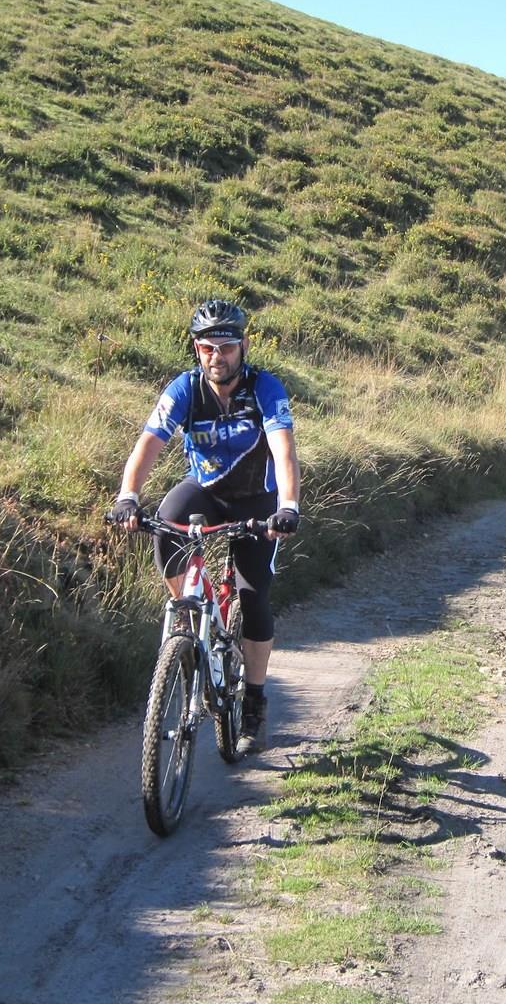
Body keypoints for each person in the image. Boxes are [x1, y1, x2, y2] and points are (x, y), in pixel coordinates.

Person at [109, 299, 301, 756]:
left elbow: (283, 450)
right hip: (206, 491)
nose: (217, 356)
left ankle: (254, 703)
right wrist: (128, 496)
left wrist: (288, 507)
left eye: (226, 347)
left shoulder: (265, 388)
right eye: (207, 348)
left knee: (253, 596)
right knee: (166, 525)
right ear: (197, 349)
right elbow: (148, 444)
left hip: (258, 501)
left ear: (243, 346)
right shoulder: (184, 389)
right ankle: (190, 618)